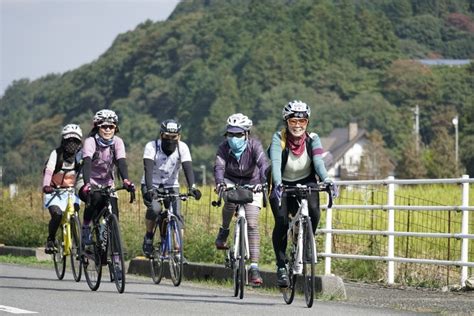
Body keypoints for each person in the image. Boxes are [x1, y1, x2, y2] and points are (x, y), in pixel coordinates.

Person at [268, 100, 337, 287]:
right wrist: (278, 184)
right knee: (282, 222)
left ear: (307, 123)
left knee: (314, 211)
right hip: (282, 182)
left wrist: (327, 179)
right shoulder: (279, 138)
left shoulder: (313, 139)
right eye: (293, 121)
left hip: (306, 181)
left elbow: (319, 163)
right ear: (286, 122)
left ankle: (307, 241)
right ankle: (281, 265)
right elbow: (275, 163)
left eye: (302, 121)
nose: (297, 125)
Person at [213, 113, 269, 286]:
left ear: (246, 134)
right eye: (231, 134)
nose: (234, 138)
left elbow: (263, 165)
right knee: (229, 203)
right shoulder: (223, 148)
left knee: (252, 224)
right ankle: (224, 230)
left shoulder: (255, 146)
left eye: (238, 134)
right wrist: (220, 183)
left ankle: (254, 267)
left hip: (253, 184)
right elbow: (219, 167)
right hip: (231, 181)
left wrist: (265, 182)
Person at [141, 119, 202, 258]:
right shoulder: (152, 146)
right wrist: (150, 190)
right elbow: (148, 169)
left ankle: (178, 252)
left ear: (179, 137)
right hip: (152, 184)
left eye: (173, 137)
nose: (170, 140)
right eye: (167, 137)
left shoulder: (182, 147)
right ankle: (149, 237)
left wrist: (192, 187)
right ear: (161, 135)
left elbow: (188, 168)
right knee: (155, 209)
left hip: (171, 185)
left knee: (177, 214)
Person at [79, 109, 135, 245]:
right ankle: (86, 227)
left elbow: (121, 162)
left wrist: (126, 180)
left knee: (114, 215)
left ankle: (114, 254)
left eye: (111, 126)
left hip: (107, 183)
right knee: (95, 198)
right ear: (97, 127)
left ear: (115, 128)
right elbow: (86, 163)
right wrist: (87, 184)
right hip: (87, 180)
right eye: (104, 126)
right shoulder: (90, 142)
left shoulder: (117, 142)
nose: (108, 129)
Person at [42, 124, 83, 254]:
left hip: (71, 192)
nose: (72, 144)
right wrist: (46, 185)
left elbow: (85, 172)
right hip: (54, 192)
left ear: (80, 142)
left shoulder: (80, 155)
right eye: (68, 140)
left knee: (75, 212)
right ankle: (51, 239)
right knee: (57, 215)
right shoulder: (56, 154)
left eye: (75, 141)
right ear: (63, 141)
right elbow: (49, 171)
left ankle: (79, 244)